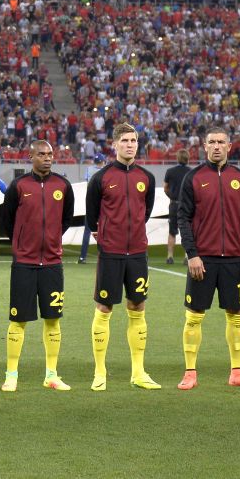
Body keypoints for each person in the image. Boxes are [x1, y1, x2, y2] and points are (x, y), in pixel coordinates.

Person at [176, 127, 240, 390]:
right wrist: (192, 254)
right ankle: (190, 373)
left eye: (221, 142)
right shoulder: (193, 178)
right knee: (194, 315)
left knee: (237, 314)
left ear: (229, 146)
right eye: (211, 142)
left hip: (234, 259)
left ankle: (237, 372)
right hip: (203, 260)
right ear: (204, 146)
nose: (216, 146)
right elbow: (183, 219)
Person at [0, 139, 77, 391]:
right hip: (24, 263)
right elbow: (7, 220)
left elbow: (65, 220)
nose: (47, 158)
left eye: (50, 154)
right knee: (18, 320)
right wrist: (22, 243)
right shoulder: (19, 186)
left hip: (52, 264)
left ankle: (51, 375)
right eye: (41, 154)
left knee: (53, 319)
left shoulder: (63, 186)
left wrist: (51, 240)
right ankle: (11, 375)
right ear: (30, 157)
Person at [86, 123, 158, 391]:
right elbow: (92, 216)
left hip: (137, 253)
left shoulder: (146, 177)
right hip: (111, 253)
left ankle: (138, 372)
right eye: (125, 140)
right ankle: (100, 372)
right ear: (114, 144)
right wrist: (107, 236)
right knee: (104, 308)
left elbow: (145, 211)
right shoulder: (101, 178)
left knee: (138, 307)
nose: (130, 145)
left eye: (134, 140)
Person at [162, 150, 193, 264]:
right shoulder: (191, 172)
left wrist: (171, 197)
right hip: (187, 205)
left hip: (174, 204)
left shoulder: (170, 171)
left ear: (177, 158)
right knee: (188, 231)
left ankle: (170, 257)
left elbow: (165, 188)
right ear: (188, 158)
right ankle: (187, 256)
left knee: (172, 232)